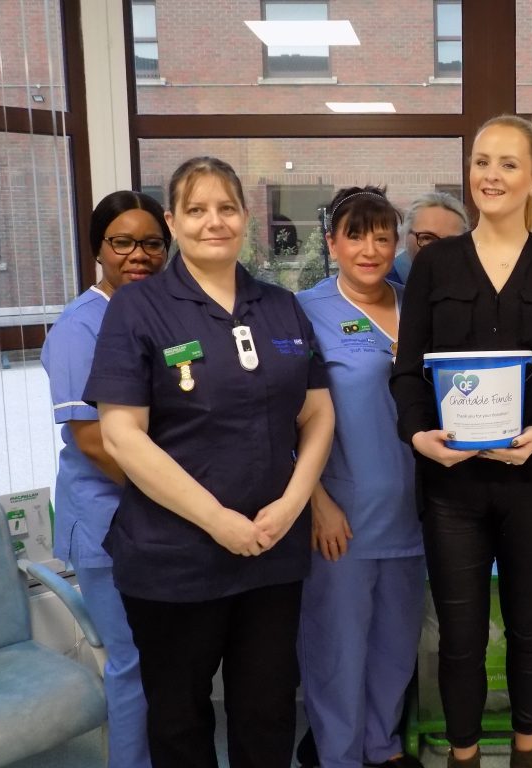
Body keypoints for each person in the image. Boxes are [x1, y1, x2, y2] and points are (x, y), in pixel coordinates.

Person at [83, 156, 335, 768]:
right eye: (196, 209)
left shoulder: (281, 306)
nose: (213, 222)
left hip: (271, 553)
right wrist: (217, 518)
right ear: (173, 221)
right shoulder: (139, 308)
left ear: (246, 218)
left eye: (226, 208)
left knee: (268, 711)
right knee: (179, 721)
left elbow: (318, 413)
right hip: (175, 559)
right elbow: (121, 434)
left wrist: (293, 503)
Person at [390, 114, 532, 768]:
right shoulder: (435, 265)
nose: (492, 176)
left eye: (508, 164)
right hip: (453, 486)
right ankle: (465, 756)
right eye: (482, 161)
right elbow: (407, 371)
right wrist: (420, 437)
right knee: (461, 635)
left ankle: (528, 753)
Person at [295, 186, 425, 768]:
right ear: (332, 242)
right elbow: (283, 420)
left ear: (397, 243)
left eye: (382, 235)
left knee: (396, 645)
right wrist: (317, 501)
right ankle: (340, 755)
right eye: (355, 234)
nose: (369, 248)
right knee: (336, 650)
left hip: (415, 511)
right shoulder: (305, 312)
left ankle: (383, 743)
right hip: (342, 516)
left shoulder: (416, 306)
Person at [41, 190, 170, 768]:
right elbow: (94, 441)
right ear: (99, 249)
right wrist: (186, 500)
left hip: (163, 517)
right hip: (109, 523)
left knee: (166, 659)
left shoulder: (161, 314)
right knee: (133, 660)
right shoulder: (79, 328)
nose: (137, 255)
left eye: (150, 243)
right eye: (122, 242)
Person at [388, 191, 470, 283]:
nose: (438, 249)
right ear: (406, 236)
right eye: (427, 238)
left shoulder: (475, 285)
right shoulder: (383, 285)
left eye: (451, 241)